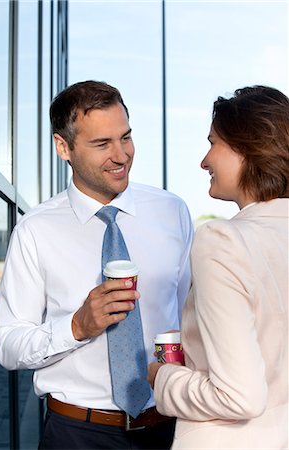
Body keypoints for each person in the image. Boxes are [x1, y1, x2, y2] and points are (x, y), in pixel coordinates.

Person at [0, 80, 194, 449]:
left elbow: (187, 314)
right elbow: (6, 343)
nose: (121, 155)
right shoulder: (36, 230)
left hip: (170, 425)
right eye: (102, 144)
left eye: (126, 137)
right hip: (77, 432)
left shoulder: (172, 211)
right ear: (63, 147)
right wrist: (77, 325)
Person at [148, 85, 289, 449]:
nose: (204, 160)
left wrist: (162, 377)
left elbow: (238, 396)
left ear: (246, 147)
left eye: (213, 142)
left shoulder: (222, 242)